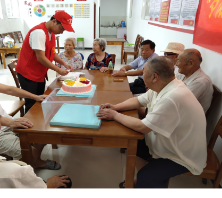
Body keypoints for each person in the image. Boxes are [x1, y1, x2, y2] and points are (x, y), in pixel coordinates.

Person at [97, 56, 207, 188]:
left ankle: (146, 180)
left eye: (143, 72)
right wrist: (116, 107)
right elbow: (138, 100)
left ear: (154, 77)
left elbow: (143, 127)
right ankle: (147, 179)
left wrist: (114, 115)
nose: (142, 75)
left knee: (147, 177)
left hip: (182, 154)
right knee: (135, 144)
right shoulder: (166, 84)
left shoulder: (172, 97)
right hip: (171, 141)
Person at [15, 11, 74, 114]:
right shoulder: (39, 33)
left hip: (39, 73)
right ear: (54, 21)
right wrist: (58, 69)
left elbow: (52, 53)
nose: (62, 32)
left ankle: (39, 123)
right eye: (61, 29)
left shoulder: (50, 33)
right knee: (32, 104)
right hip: (28, 74)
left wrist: (64, 63)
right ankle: (29, 127)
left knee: (41, 99)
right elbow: (41, 58)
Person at [175, 49, 213, 113]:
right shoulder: (184, 74)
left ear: (190, 63)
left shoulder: (201, 82)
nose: (176, 64)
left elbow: (179, 103)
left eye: (178, 61)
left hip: (187, 117)